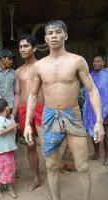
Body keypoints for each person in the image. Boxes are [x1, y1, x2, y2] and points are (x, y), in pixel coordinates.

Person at [24, 20, 104, 200]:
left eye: (57, 32)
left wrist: (99, 121)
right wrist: (28, 123)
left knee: (82, 166)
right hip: (50, 117)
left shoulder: (77, 61)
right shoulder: (39, 66)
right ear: (45, 38)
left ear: (65, 35)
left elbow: (92, 90)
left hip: (73, 115)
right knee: (51, 166)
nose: (53, 36)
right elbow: (33, 95)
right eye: (49, 33)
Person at [12, 34, 44, 192]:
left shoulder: (42, 66)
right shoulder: (18, 71)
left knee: (47, 145)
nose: (22, 49)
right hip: (24, 109)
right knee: (30, 146)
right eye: (20, 47)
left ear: (35, 48)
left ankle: (53, 181)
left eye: (26, 46)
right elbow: (17, 94)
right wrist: (13, 115)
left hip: (41, 108)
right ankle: (36, 178)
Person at [83, 54, 108, 165]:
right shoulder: (91, 76)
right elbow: (87, 92)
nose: (95, 63)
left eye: (98, 61)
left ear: (103, 63)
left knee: (106, 134)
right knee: (93, 132)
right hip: (92, 109)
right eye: (94, 61)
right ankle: (97, 154)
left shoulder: (107, 75)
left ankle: (107, 156)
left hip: (106, 109)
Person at [0, 98, 18, 198]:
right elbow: (0, 132)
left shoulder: (6, 119)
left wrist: (13, 122)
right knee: (1, 170)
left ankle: (10, 187)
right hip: (2, 151)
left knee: (10, 169)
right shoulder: (0, 120)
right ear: (6, 108)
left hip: (8, 150)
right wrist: (12, 126)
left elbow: (14, 132)